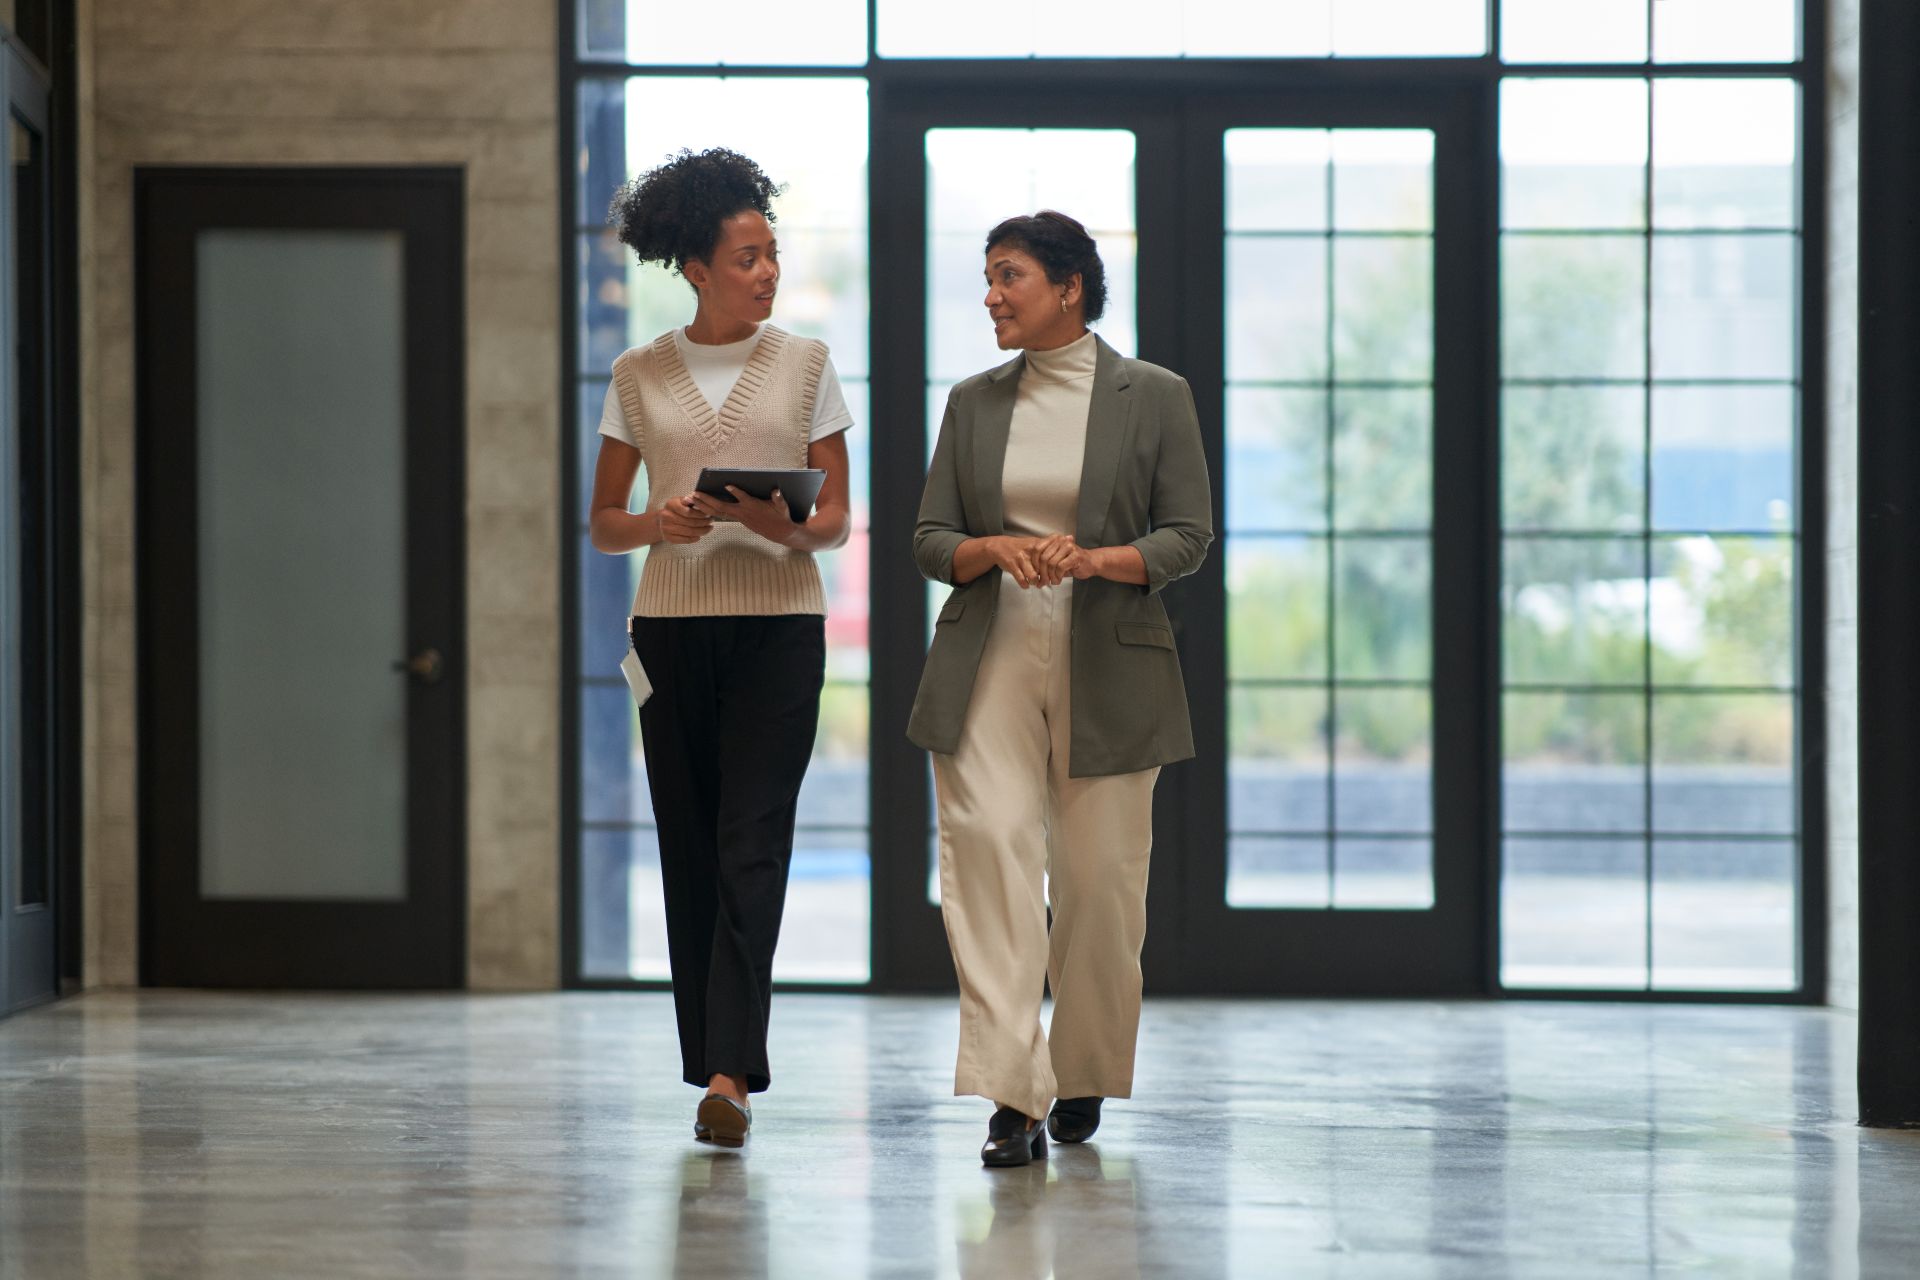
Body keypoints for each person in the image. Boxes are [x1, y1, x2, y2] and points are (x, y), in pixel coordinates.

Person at [910, 210, 1213, 1167]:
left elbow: (1188, 534)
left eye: (1010, 277)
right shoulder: (972, 401)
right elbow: (928, 539)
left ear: (1070, 286)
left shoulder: (1154, 395)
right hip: (987, 652)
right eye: (988, 278)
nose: (991, 295)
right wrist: (991, 548)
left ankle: (1081, 1070)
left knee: (1100, 886)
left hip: (1112, 656)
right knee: (990, 850)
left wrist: (1095, 559)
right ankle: (1012, 1091)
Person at [588, 147, 853, 1148]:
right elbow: (603, 521)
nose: (768, 272)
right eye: (748, 256)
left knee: (753, 841)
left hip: (781, 627)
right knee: (691, 844)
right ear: (697, 267)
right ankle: (712, 1058)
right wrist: (657, 523)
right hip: (669, 629)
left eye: (773, 254)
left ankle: (732, 1074)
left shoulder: (808, 365)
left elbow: (835, 520)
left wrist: (783, 525)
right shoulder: (637, 373)